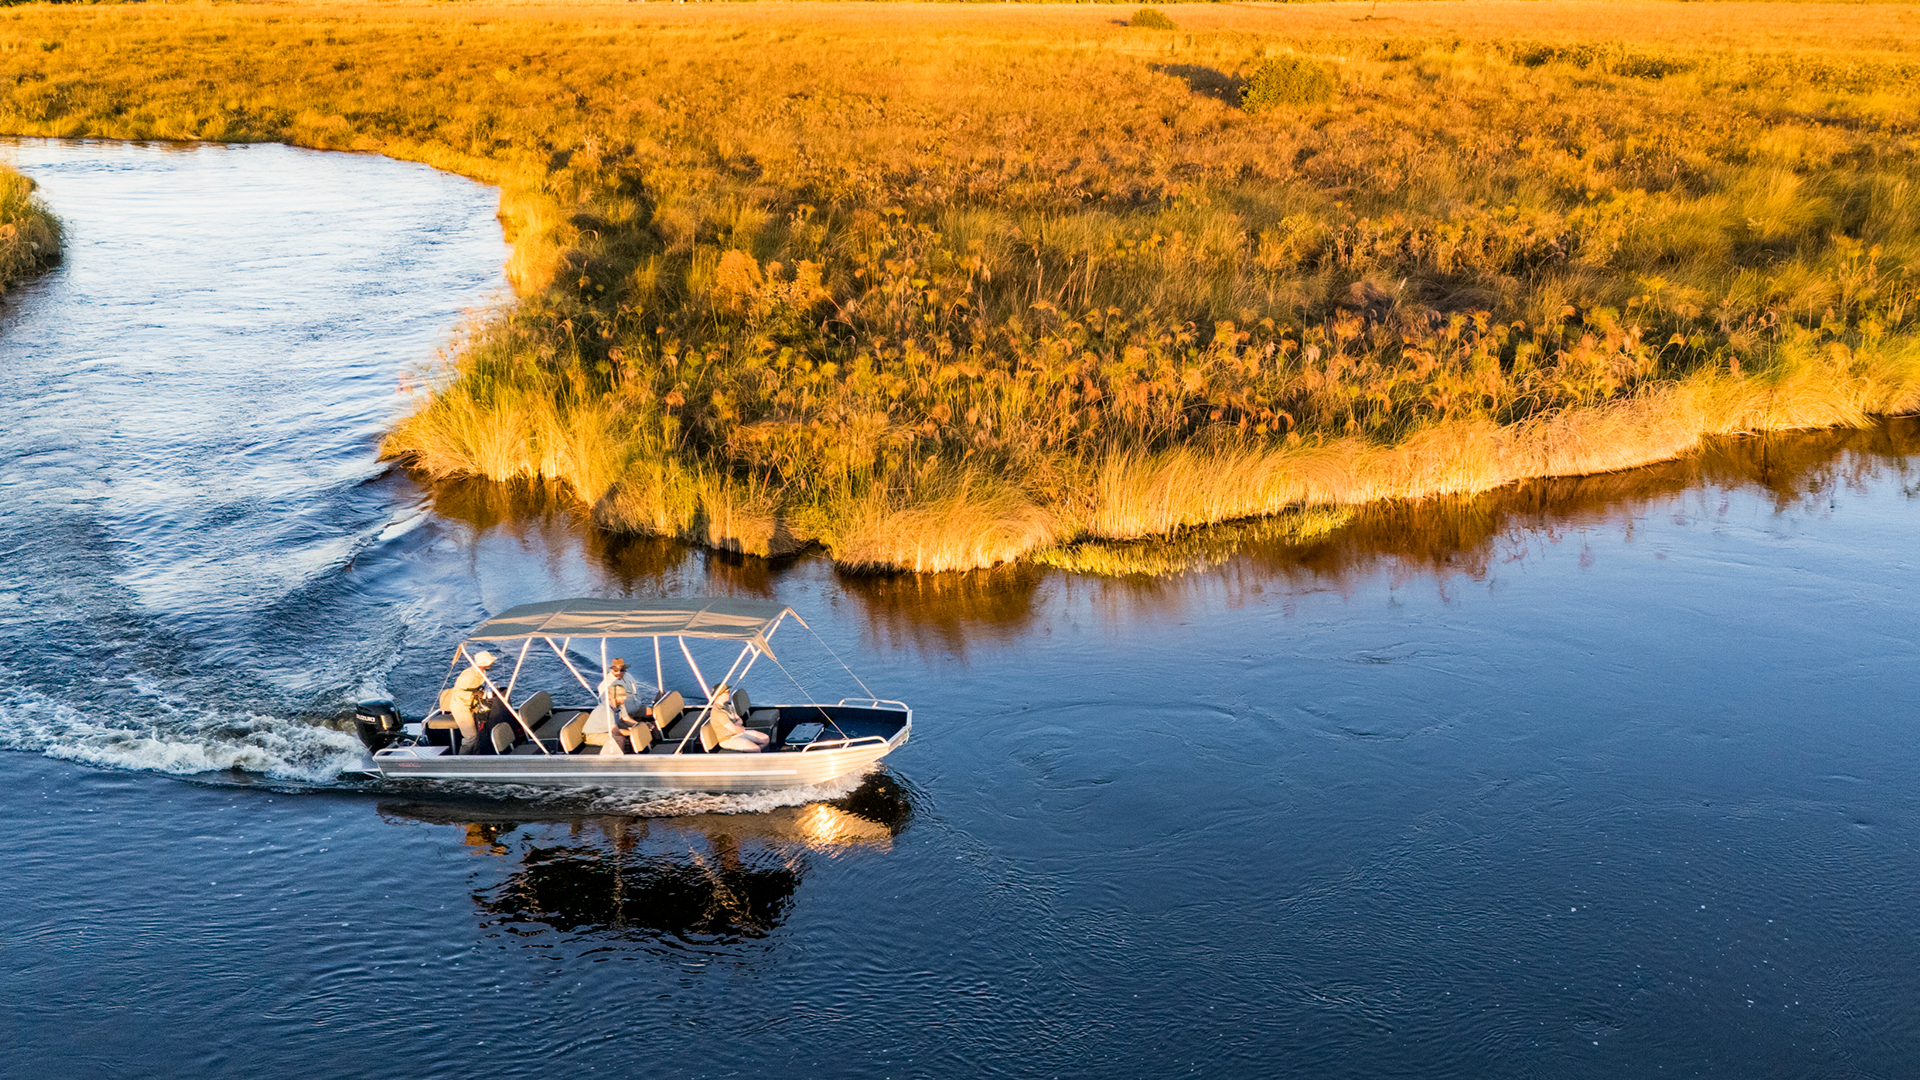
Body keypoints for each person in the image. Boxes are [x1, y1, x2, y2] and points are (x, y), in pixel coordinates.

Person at [449, 651, 497, 754]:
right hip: (461, 707)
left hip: (471, 705)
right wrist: (474, 694)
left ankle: (476, 756)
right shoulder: (469, 675)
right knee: (470, 737)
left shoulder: (481, 672)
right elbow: (458, 692)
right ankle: (461, 759)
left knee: (477, 736)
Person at [708, 685, 769, 752]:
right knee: (756, 749)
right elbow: (735, 729)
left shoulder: (727, 706)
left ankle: (754, 755)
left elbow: (740, 720)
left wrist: (735, 727)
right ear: (720, 695)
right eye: (727, 692)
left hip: (737, 733)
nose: (729, 694)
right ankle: (755, 755)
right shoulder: (719, 713)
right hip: (728, 739)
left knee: (765, 739)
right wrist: (740, 729)